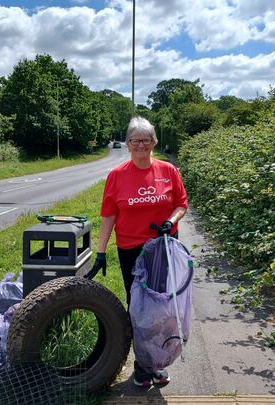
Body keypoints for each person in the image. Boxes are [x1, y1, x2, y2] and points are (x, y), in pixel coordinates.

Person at [85, 116, 188, 387]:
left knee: (163, 306)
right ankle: (142, 364)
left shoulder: (169, 171)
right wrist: (101, 251)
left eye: (146, 140)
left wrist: (171, 222)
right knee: (139, 308)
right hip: (131, 250)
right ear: (128, 144)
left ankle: (157, 361)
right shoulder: (117, 176)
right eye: (135, 140)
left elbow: (181, 205)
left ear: (154, 142)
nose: (141, 144)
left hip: (162, 248)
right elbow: (108, 214)